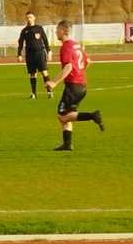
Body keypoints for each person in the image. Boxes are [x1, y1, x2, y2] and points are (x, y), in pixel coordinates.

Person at [45, 20, 104, 152]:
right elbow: (88, 61)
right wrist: (79, 73)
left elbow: (68, 67)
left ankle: (93, 116)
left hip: (73, 86)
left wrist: (54, 82)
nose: (56, 32)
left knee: (62, 116)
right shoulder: (76, 45)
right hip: (81, 85)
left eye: (57, 30)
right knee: (68, 115)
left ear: (63, 31)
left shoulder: (66, 47)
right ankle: (67, 144)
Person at [17, 12, 52, 100]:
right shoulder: (24, 30)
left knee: (44, 72)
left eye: (31, 17)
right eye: (28, 17)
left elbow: (45, 39)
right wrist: (19, 54)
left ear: (34, 18)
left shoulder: (39, 28)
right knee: (32, 74)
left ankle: (49, 92)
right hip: (30, 55)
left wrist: (49, 51)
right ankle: (34, 94)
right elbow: (20, 43)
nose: (29, 19)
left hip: (40, 53)